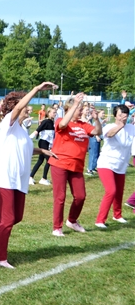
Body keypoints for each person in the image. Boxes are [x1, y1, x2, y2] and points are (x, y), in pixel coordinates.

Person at [0, 82, 58, 269]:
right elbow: (20, 106)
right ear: (15, 107)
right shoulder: (8, 123)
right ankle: (0, 258)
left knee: (16, 217)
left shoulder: (22, 130)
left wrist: (44, 152)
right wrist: (36, 89)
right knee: (7, 219)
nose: (28, 109)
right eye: (24, 106)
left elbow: (26, 149)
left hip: (19, 180)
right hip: (4, 177)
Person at [48, 93, 102, 236]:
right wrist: (75, 104)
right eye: (79, 109)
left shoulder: (84, 124)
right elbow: (63, 124)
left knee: (80, 196)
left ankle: (72, 220)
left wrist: (97, 120)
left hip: (76, 165)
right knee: (60, 197)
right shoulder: (60, 119)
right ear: (70, 108)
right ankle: (57, 228)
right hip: (60, 163)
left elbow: (97, 131)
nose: (82, 111)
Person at [94, 105, 135, 227]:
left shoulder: (131, 128)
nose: (123, 116)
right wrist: (120, 126)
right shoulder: (109, 126)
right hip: (106, 163)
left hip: (121, 165)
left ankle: (117, 215)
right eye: (121, 114)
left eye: (125, 114)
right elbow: (110, 135)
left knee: (119, 192)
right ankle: (100, 220)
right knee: (111, 191)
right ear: (115, 115)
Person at [29, 106, 57, 186]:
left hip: (47, 143)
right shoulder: (46, 121)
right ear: (49, 113)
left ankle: (31, 177)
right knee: (49, 161)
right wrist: (29, 138)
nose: (55, 114)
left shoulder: (52, 122)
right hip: (43, 142)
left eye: (55, 112)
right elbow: (37, 130)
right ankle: (43, 178)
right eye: (53, 112)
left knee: (40, 161)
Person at [86, 109, 106, 175]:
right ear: (98, 114)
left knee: (96, 154)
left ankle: (93, 167)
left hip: (98, 139)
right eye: (102, 113)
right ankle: (89, 169)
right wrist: (97, 136)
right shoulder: (97, 121)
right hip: (94, 139)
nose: (103, 114)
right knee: (93, 154)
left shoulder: (100, 120)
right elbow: (94, 129)